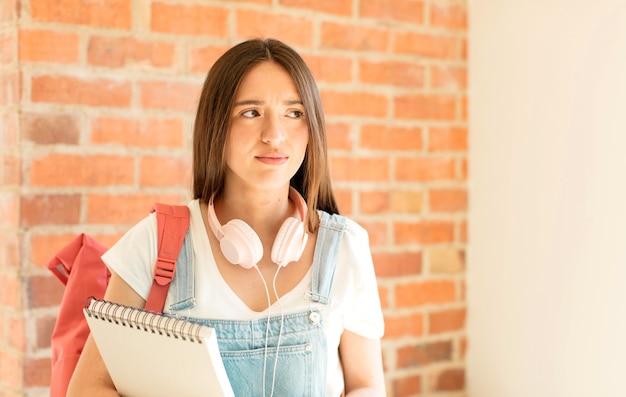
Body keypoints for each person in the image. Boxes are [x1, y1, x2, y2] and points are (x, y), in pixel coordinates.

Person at [67, 38, 385, 397]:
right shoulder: (157, 243)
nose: (275, 135)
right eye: (251, 112)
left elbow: (367, 385)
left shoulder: (345, 247)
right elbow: (88, 388)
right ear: (217, 126)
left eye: (294, 113)